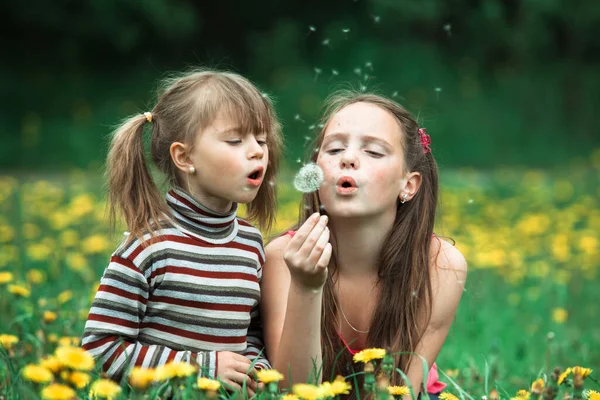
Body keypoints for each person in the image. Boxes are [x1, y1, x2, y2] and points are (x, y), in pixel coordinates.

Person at [82, 69, 283, 394]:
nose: (258, 151)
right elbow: (99, 350)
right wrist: (200, 368)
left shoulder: (250, 244)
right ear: (185, 156)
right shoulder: (147, 246)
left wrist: (255, 368)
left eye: (261, 140)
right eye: (236, 140)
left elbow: (253, 335)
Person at [260, 90, 467, 398]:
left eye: (373, 152)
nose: (348, 158)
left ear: (408, 185)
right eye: (334, 149)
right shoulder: (283, 258)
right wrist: (306, 286)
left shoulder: (441, 265)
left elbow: (400, 392)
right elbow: (291, 389)